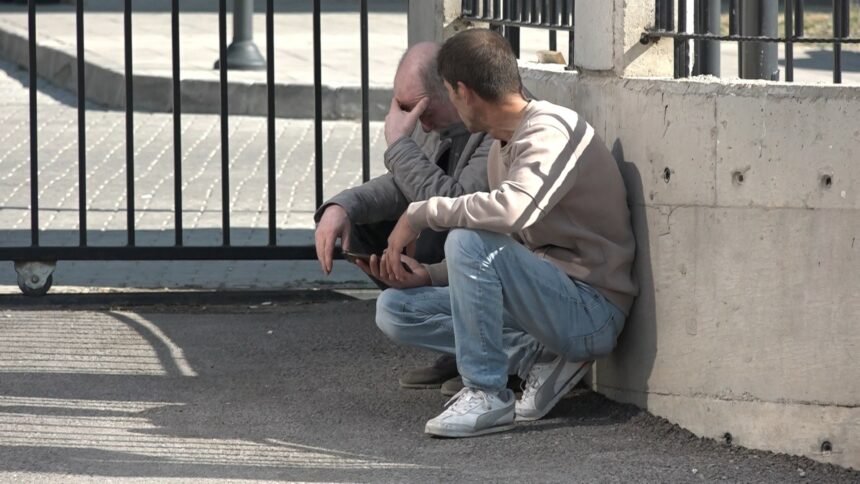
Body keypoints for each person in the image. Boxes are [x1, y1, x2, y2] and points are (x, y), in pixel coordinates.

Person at [369, 29, 638, 438]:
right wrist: (430, 275)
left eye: (449, 94)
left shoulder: (550, 130)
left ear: (463, 92)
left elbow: (513, 210)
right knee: (395, 309)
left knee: (466, 237)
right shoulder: (502, 145)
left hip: (590, 310)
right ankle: (539, 356)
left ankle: (487, 393)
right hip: (543, 302)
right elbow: (507, 248)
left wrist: (421, 213)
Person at [313, 42, 493, 392]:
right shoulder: (439, 121)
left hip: (486, 252)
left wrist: (398, 144)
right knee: (360, 224)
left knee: (453, 236)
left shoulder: (492, 123)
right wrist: (343, 206)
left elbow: (458, 207)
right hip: (458, 243)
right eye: (405, 109)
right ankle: (457, 346)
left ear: (453, 90)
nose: (417, 122)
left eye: (422, 109)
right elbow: (404, 183)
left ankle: (491, 355)